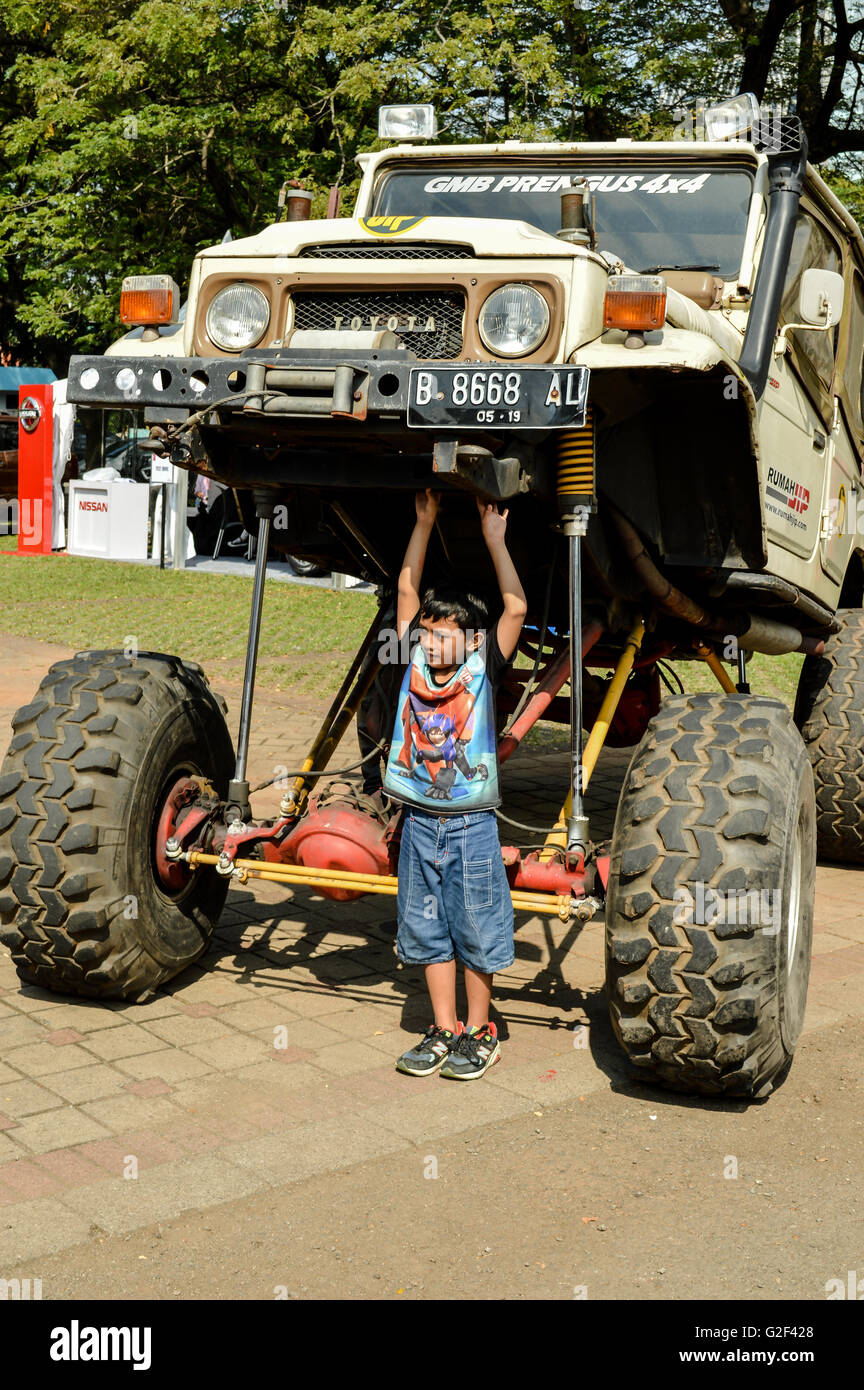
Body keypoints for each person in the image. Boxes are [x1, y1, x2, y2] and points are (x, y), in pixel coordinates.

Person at [383, 488, 527, 1080]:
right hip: (419, 823)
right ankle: (442, 1029)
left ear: (471, 641)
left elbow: (514, 608)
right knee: (425, 930)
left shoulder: (479, 668)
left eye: (449, 633)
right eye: (428, 631)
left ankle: (479, 1029)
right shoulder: (414, 663)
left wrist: (496, 540)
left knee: (476, 929)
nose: (435, 640)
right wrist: (423, 523)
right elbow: (406, 593)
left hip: (470, 828)